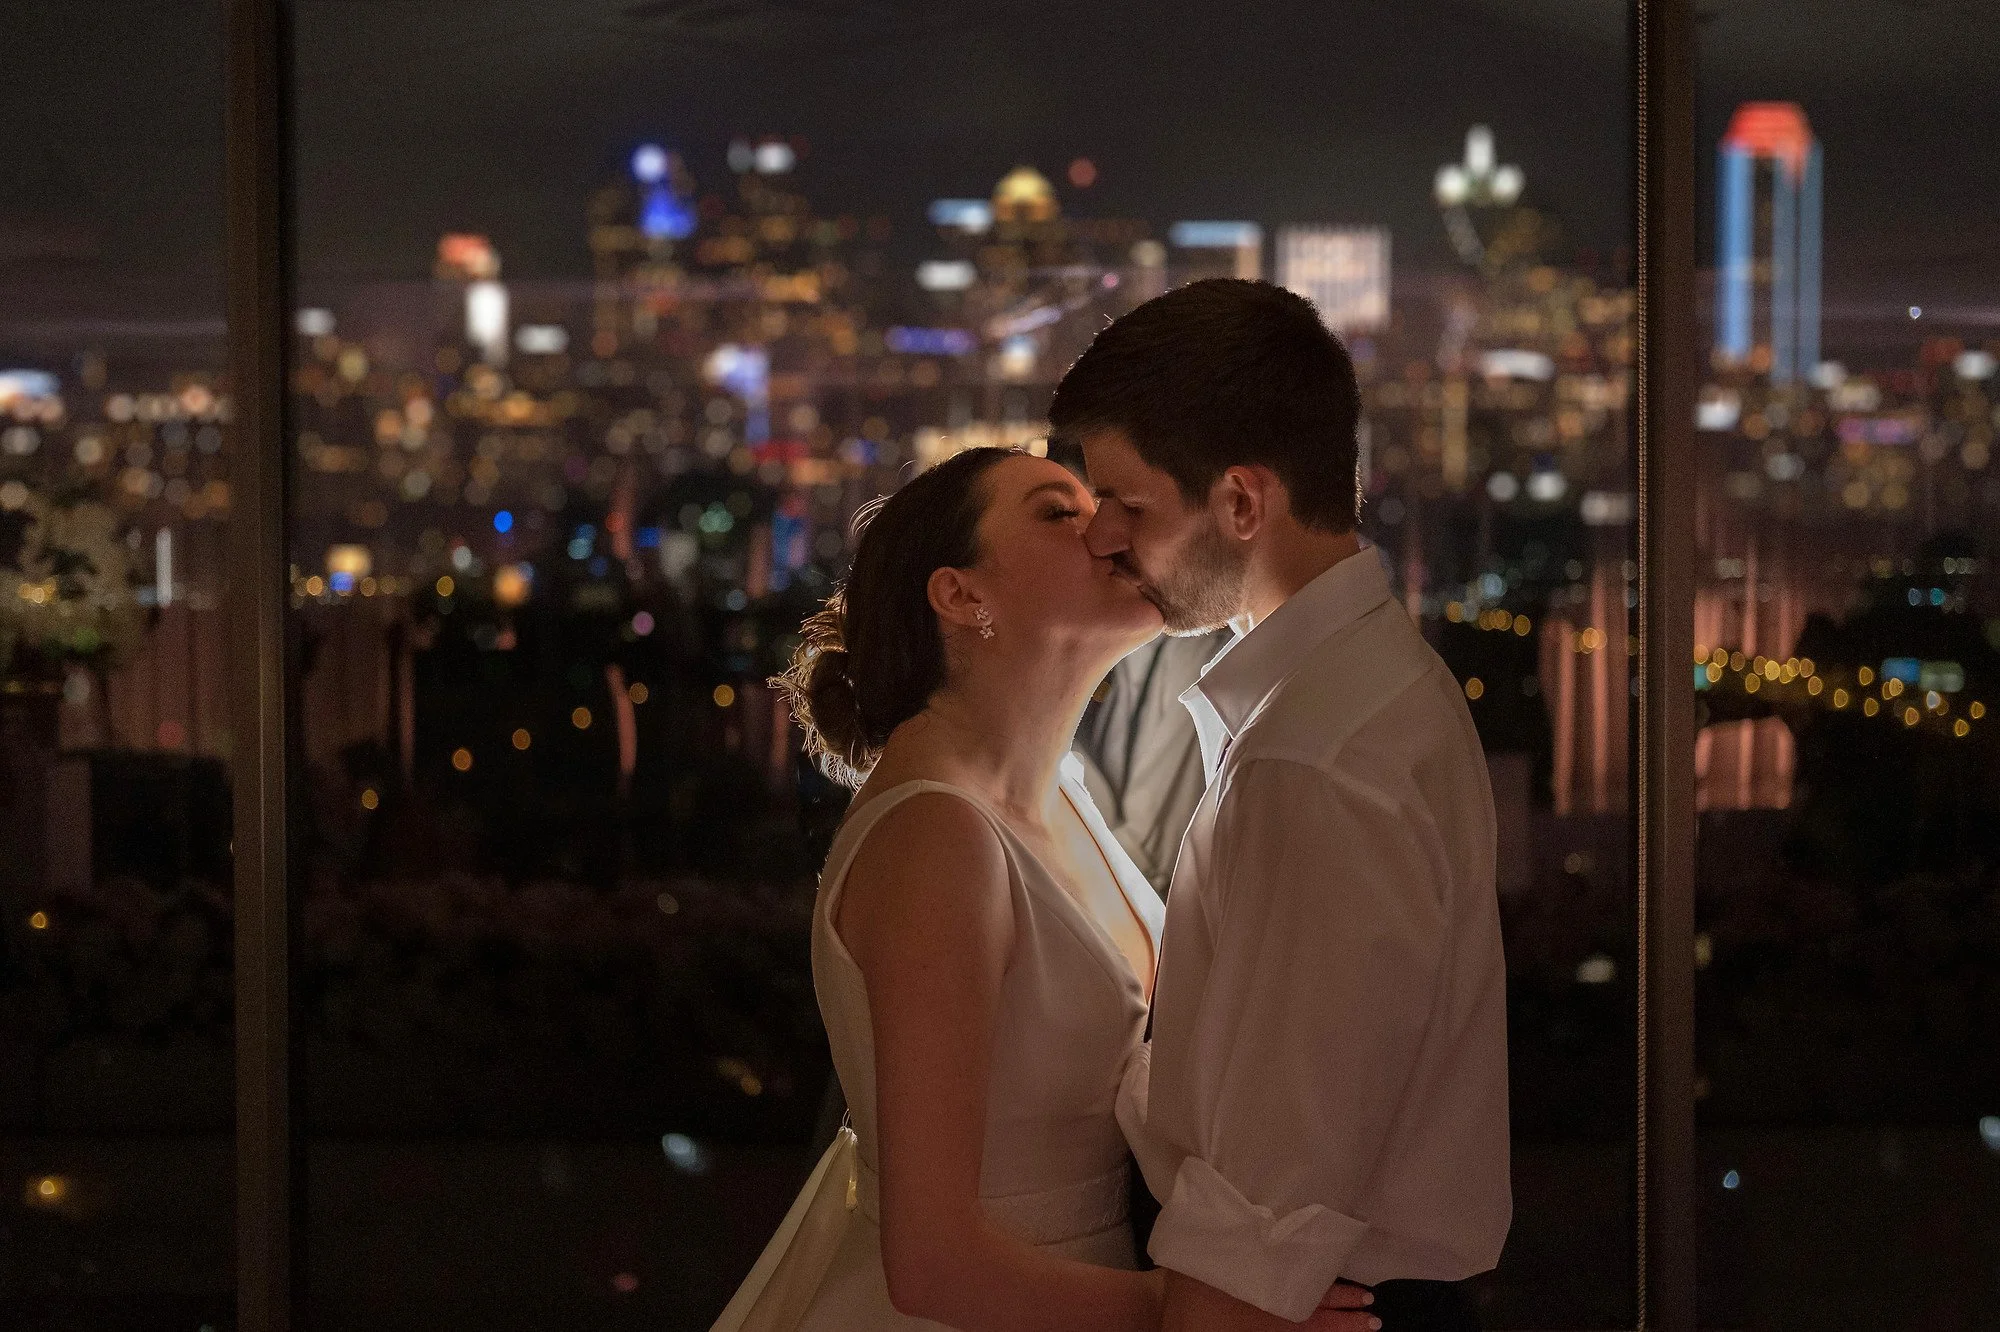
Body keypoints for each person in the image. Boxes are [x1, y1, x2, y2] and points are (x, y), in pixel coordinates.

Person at [713, 444, 1379, 1331]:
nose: (1108, 532)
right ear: (960, 595)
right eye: (1059, 515)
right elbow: (931, 1265)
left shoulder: (1061, 791)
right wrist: (1194, 1313)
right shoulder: (938, 839)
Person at [1051, 279, 1512, 1332]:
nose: (1100, 538)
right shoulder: (1356, 690)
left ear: (1242, 503)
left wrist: (1233, 1300)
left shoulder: (1311, 761)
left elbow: (1273, 1177)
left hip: (1310, 1305)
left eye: (1127, 502)